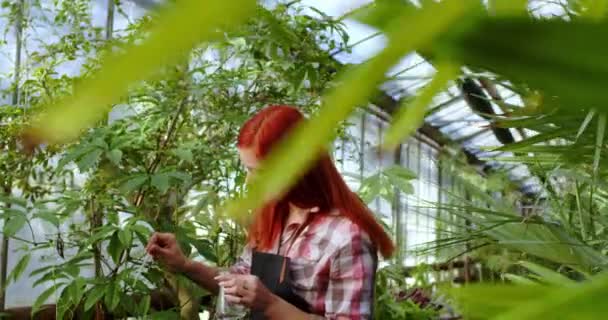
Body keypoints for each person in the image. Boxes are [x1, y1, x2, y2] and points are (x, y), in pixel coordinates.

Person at [146, 105, 395, 319]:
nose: (249, 182)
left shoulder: (346, 238)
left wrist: (271, 305)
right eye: (247, 169)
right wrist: (185, 265)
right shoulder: (273, 216)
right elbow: (238, 282)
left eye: (259, 172)